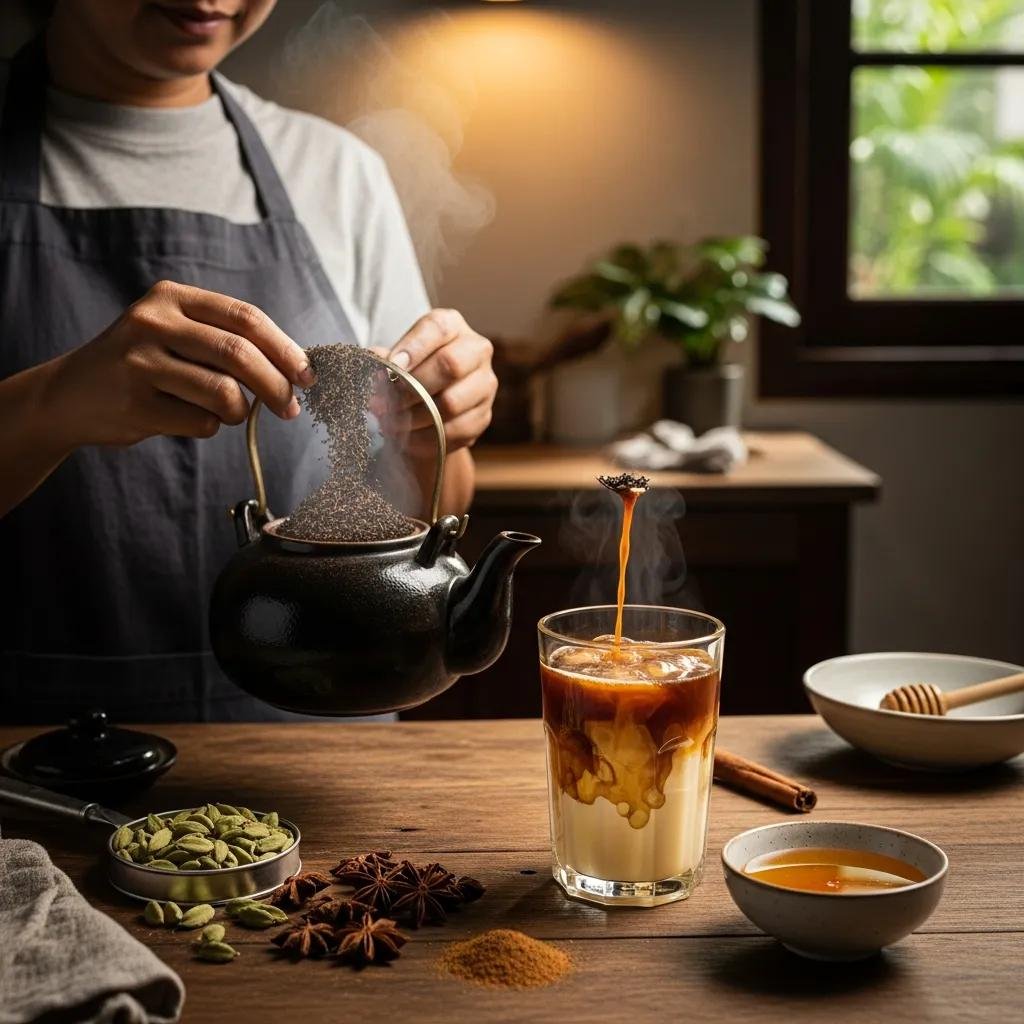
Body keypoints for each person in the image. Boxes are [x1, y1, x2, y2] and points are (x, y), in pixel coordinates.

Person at [0, 1, 498, 723]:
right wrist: (52, 404)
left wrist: (435, 433)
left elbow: (434, 512)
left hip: (323, 746)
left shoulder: (335, 172)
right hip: (35, 755)